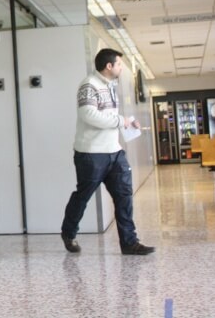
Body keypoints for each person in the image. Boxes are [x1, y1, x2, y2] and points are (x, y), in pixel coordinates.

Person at [61, 48, 154, 256]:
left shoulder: (111, 86)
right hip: (91, 154)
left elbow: (109, 116)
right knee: (83, 196)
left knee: (124, 196)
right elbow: (88, 114)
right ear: (109, 66)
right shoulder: (89, 85)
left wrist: (128, 123)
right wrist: (121, 121)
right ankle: (68, 233)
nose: (121, 68)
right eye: (119, 64)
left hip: (115, 151)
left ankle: (130, 243)